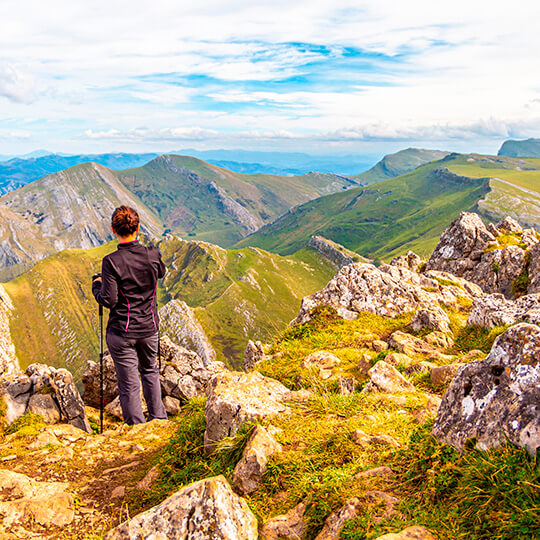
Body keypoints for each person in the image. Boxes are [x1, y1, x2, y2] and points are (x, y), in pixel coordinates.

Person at [92, 205, 167, 425]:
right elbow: (161, 272)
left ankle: (136, 428)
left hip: (122, 332)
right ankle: (159, 419)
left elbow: (109, 300)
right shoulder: (152, 254)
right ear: (138, 228)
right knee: (150, 371)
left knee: (129, 384)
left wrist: (97, 286)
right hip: (148, 327)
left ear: (113, 230)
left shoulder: (111, 261)